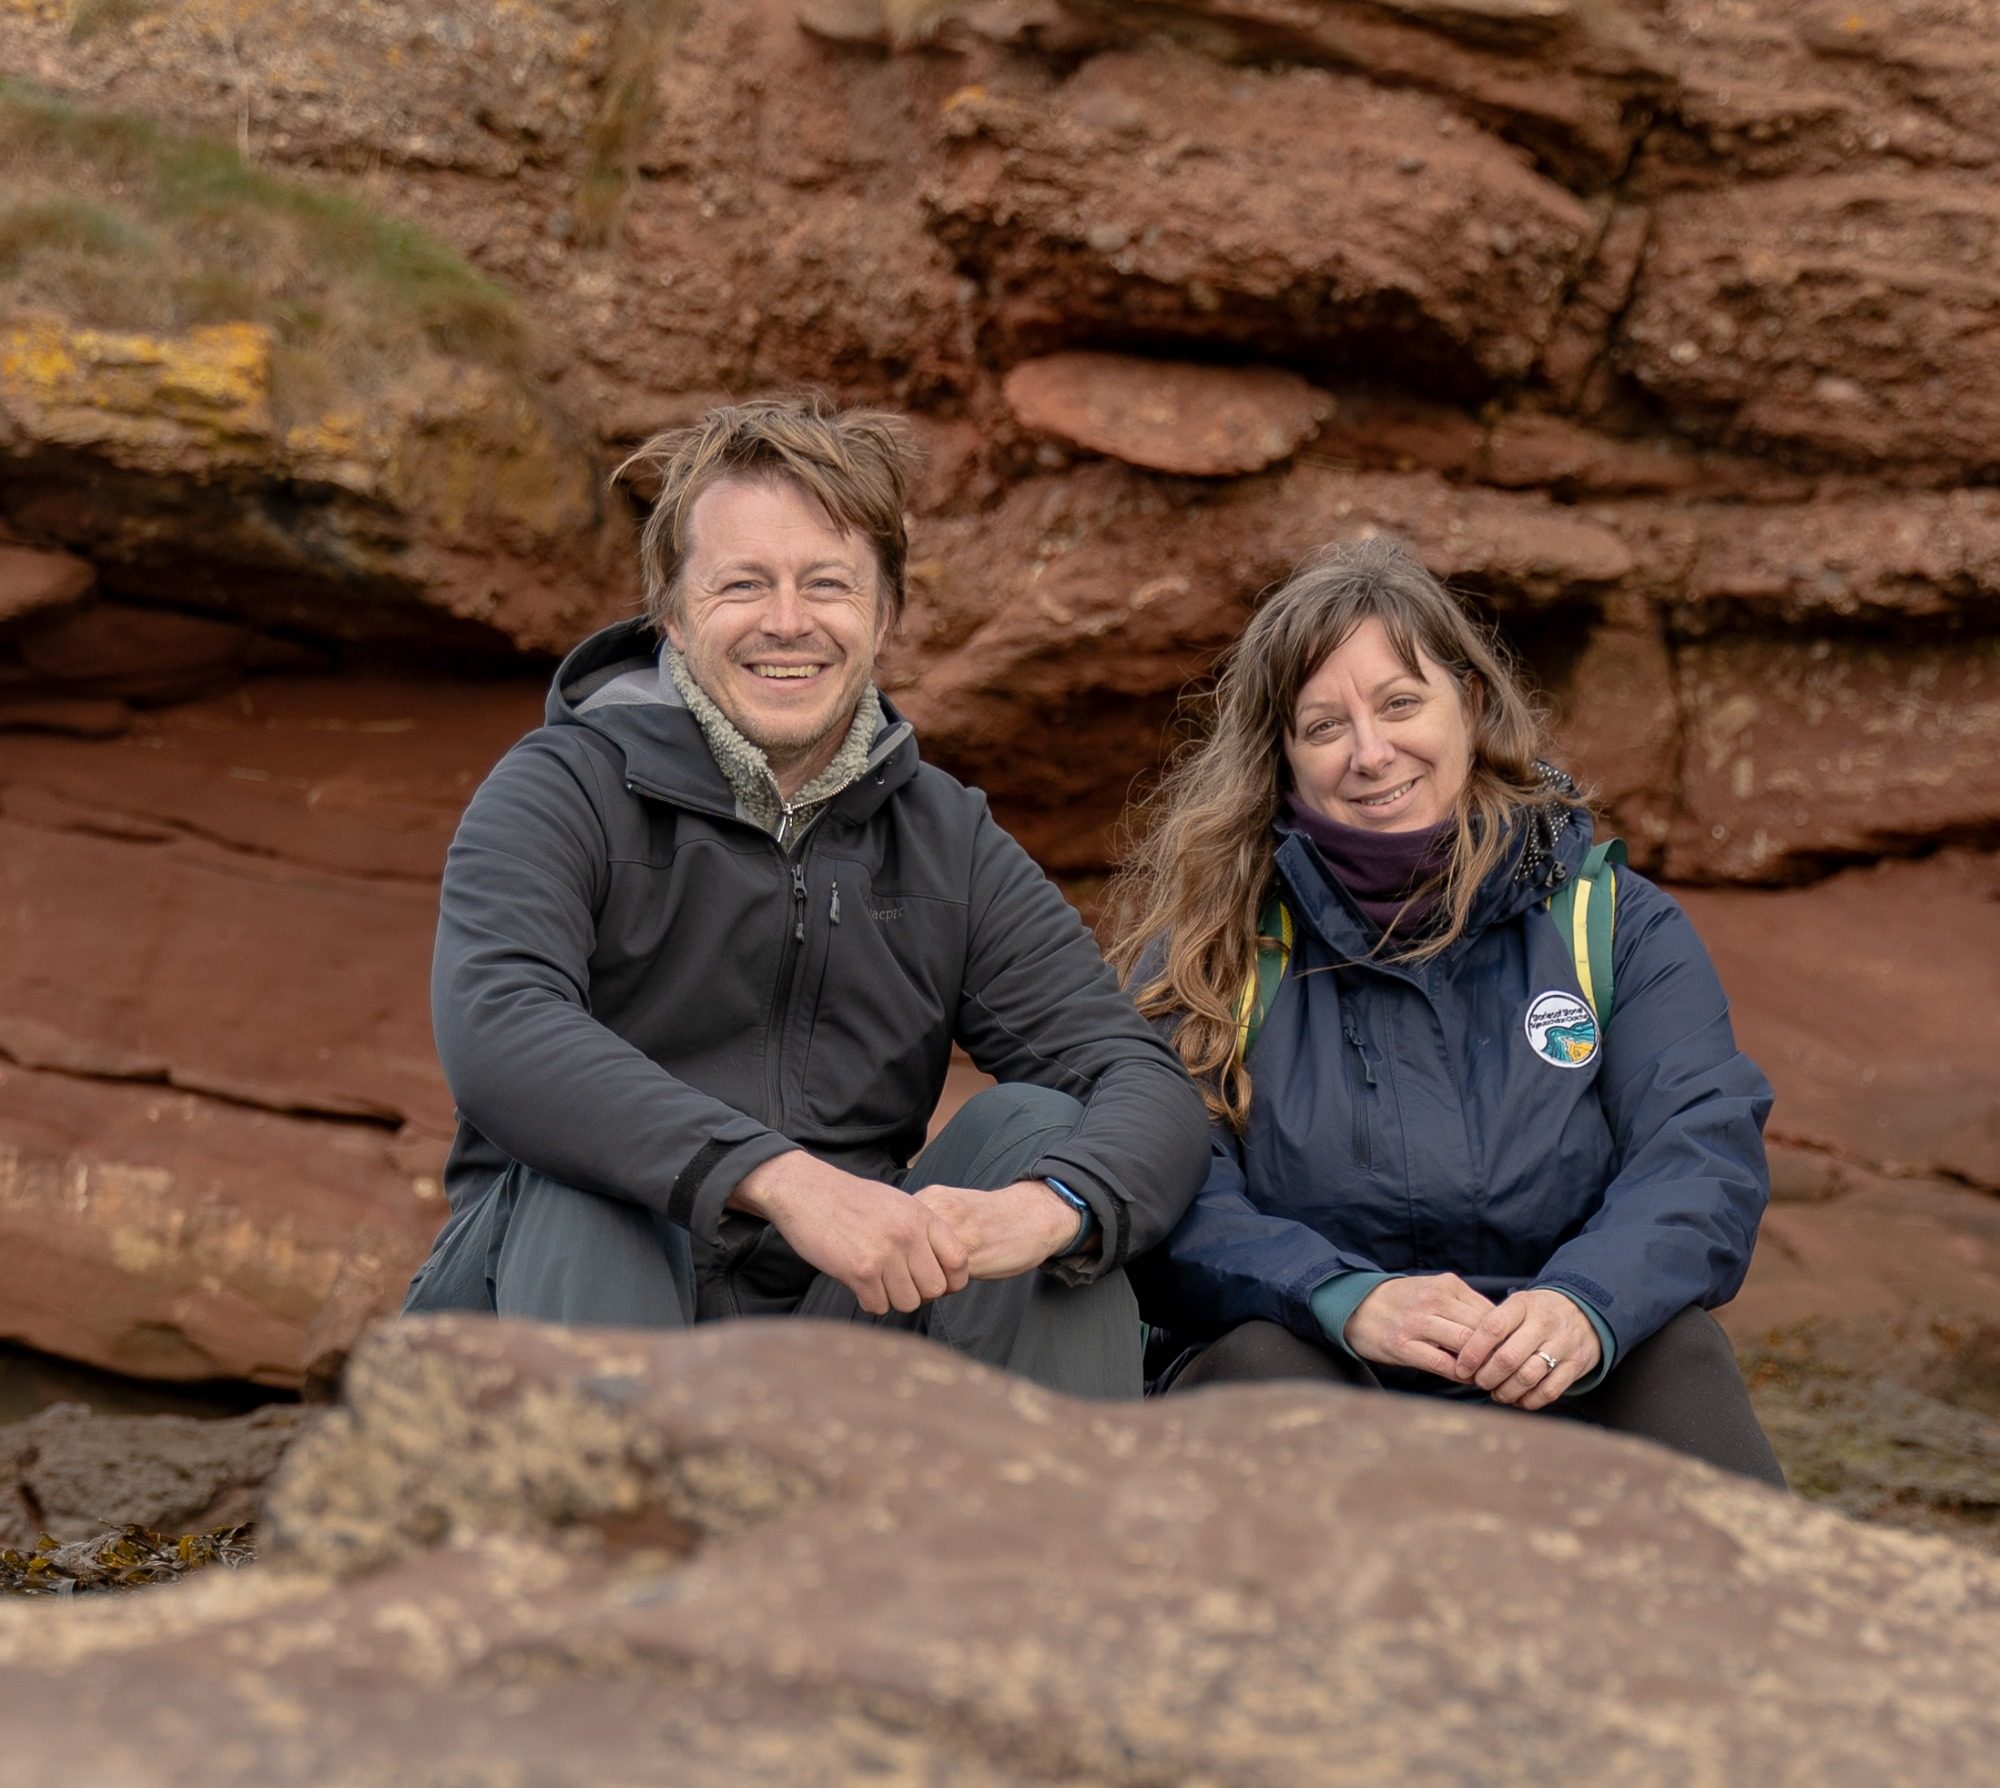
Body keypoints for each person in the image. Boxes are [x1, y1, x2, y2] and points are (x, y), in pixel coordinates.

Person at [403, 397, 1209, 1398]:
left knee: (1042, 1132)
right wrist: (780, 1179)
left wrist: (1051, 1208)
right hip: (556, 1313)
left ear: (882, 615)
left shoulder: (942, 838)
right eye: (743, 583)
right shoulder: (557, 788)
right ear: (673, 612)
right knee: (587, 1181)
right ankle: (613, 1542)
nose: (787, 621)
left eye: (826, 584)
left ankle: (1044, 1546)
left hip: (832, 1339)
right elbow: (500, 1028)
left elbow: (1141, 1081)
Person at [1111, 537, 1786, 1483]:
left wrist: (1586, 1306)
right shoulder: (1211, 952)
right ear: (1283, 759)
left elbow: (1702, 1149)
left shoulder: (1611, 922)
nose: (1371, 752)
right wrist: (1339, 1295)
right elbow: (1162, 1192)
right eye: (1323, 726)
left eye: (1400, 702)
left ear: (1469, 705)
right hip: (1319, 1354)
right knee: (1261, 1369)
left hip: (1555, 1360)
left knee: (1677, 1353)